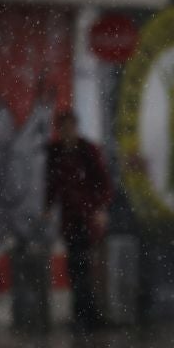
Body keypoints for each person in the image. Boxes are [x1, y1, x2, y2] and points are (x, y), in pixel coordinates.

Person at [45, 110, 112, 333]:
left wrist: (99, 207)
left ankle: (86, 316)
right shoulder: (56, 153)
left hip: (87, 217)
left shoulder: (87, 151)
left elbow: (103, 183)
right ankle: (84, 315)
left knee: (82, 266)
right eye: (63, 128)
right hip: (69, 218)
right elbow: (53, 183)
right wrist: (47, 206)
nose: (67, 133)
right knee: (75, 268)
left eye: (70, 127)